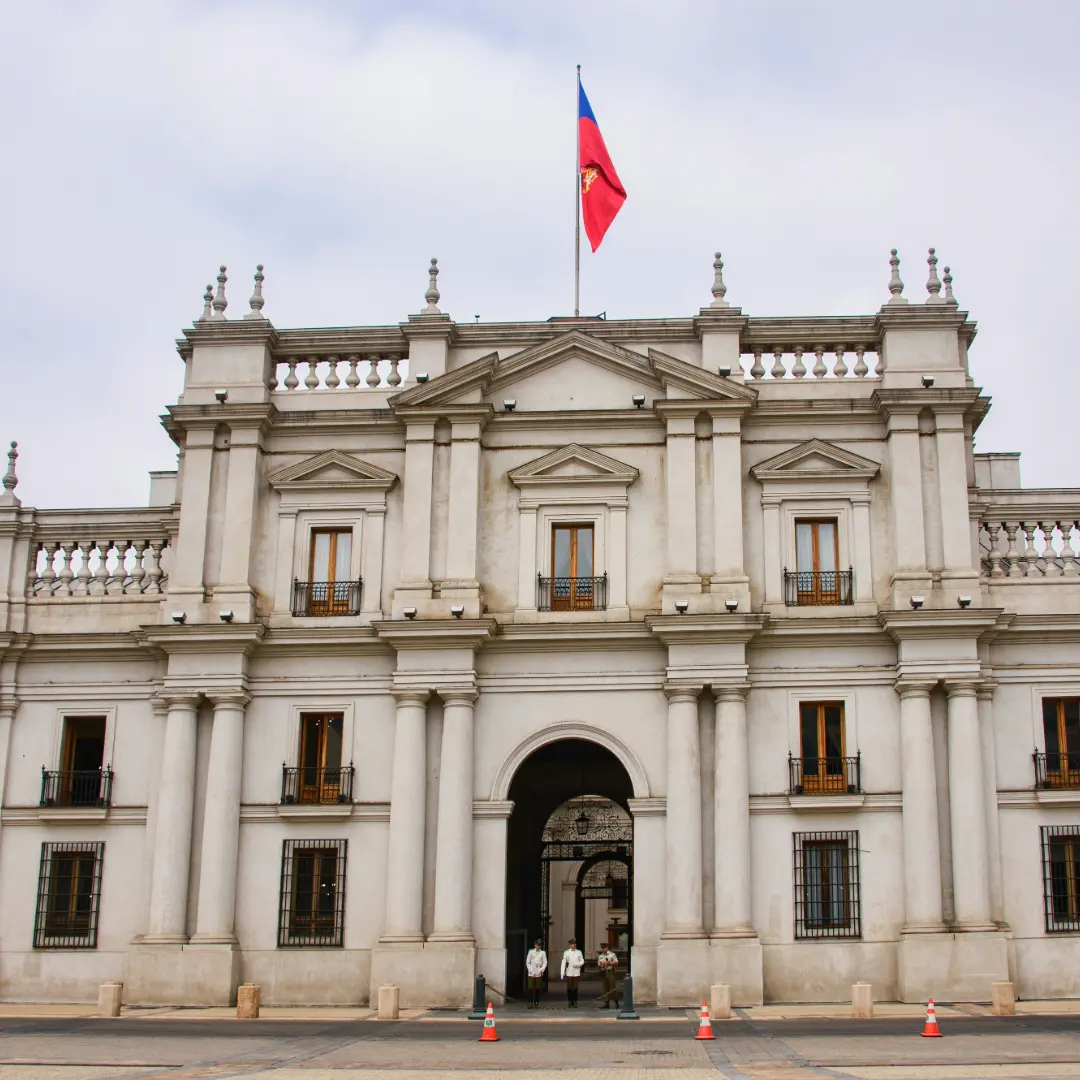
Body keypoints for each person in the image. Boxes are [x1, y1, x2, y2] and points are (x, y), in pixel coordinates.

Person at [560, 937, 585, 1007]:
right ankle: (570, 1001)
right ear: (570, 945)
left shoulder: (579, 952)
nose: (574, 945)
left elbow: (582, 961)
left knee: (575, 988)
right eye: (572, 944)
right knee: (569, 988)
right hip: (569, 972)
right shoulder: (566, 952)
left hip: (576, 972)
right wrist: (562, 973)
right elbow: (563, 962)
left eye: (574, 944)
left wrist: (577, 964)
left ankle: (575, 1001)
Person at [525, 938, 547, 1008]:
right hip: (531, 972)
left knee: (537, 988)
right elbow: (528, 962)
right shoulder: (531, 952)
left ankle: (536, 1002)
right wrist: (530, 970)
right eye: (537, 945)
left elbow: (545, 963)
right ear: (535, 945)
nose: (538, 946)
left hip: (538, 972)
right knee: (530, 988)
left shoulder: (543, 953)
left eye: (539, 945)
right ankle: (530, 1002)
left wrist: (541, 970)